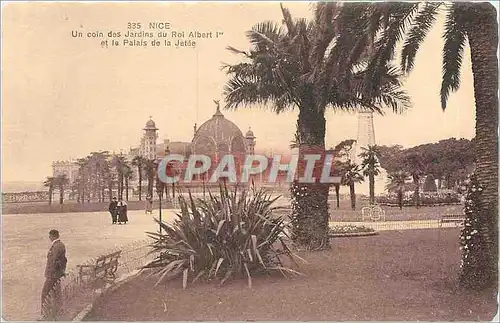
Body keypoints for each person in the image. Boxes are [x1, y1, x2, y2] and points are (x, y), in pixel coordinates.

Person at [41, 229, 67, 319]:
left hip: (52, 275)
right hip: (58, 274)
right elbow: (64, 260)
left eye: (50, 236)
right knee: (57, 293)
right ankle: (59, 311)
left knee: (45, 293)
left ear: (53, 236)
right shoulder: (61, 245)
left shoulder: (56, 246)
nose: (49, 237)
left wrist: (51, 275)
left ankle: (44, 315)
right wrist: (62, 271)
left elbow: (54, 261)